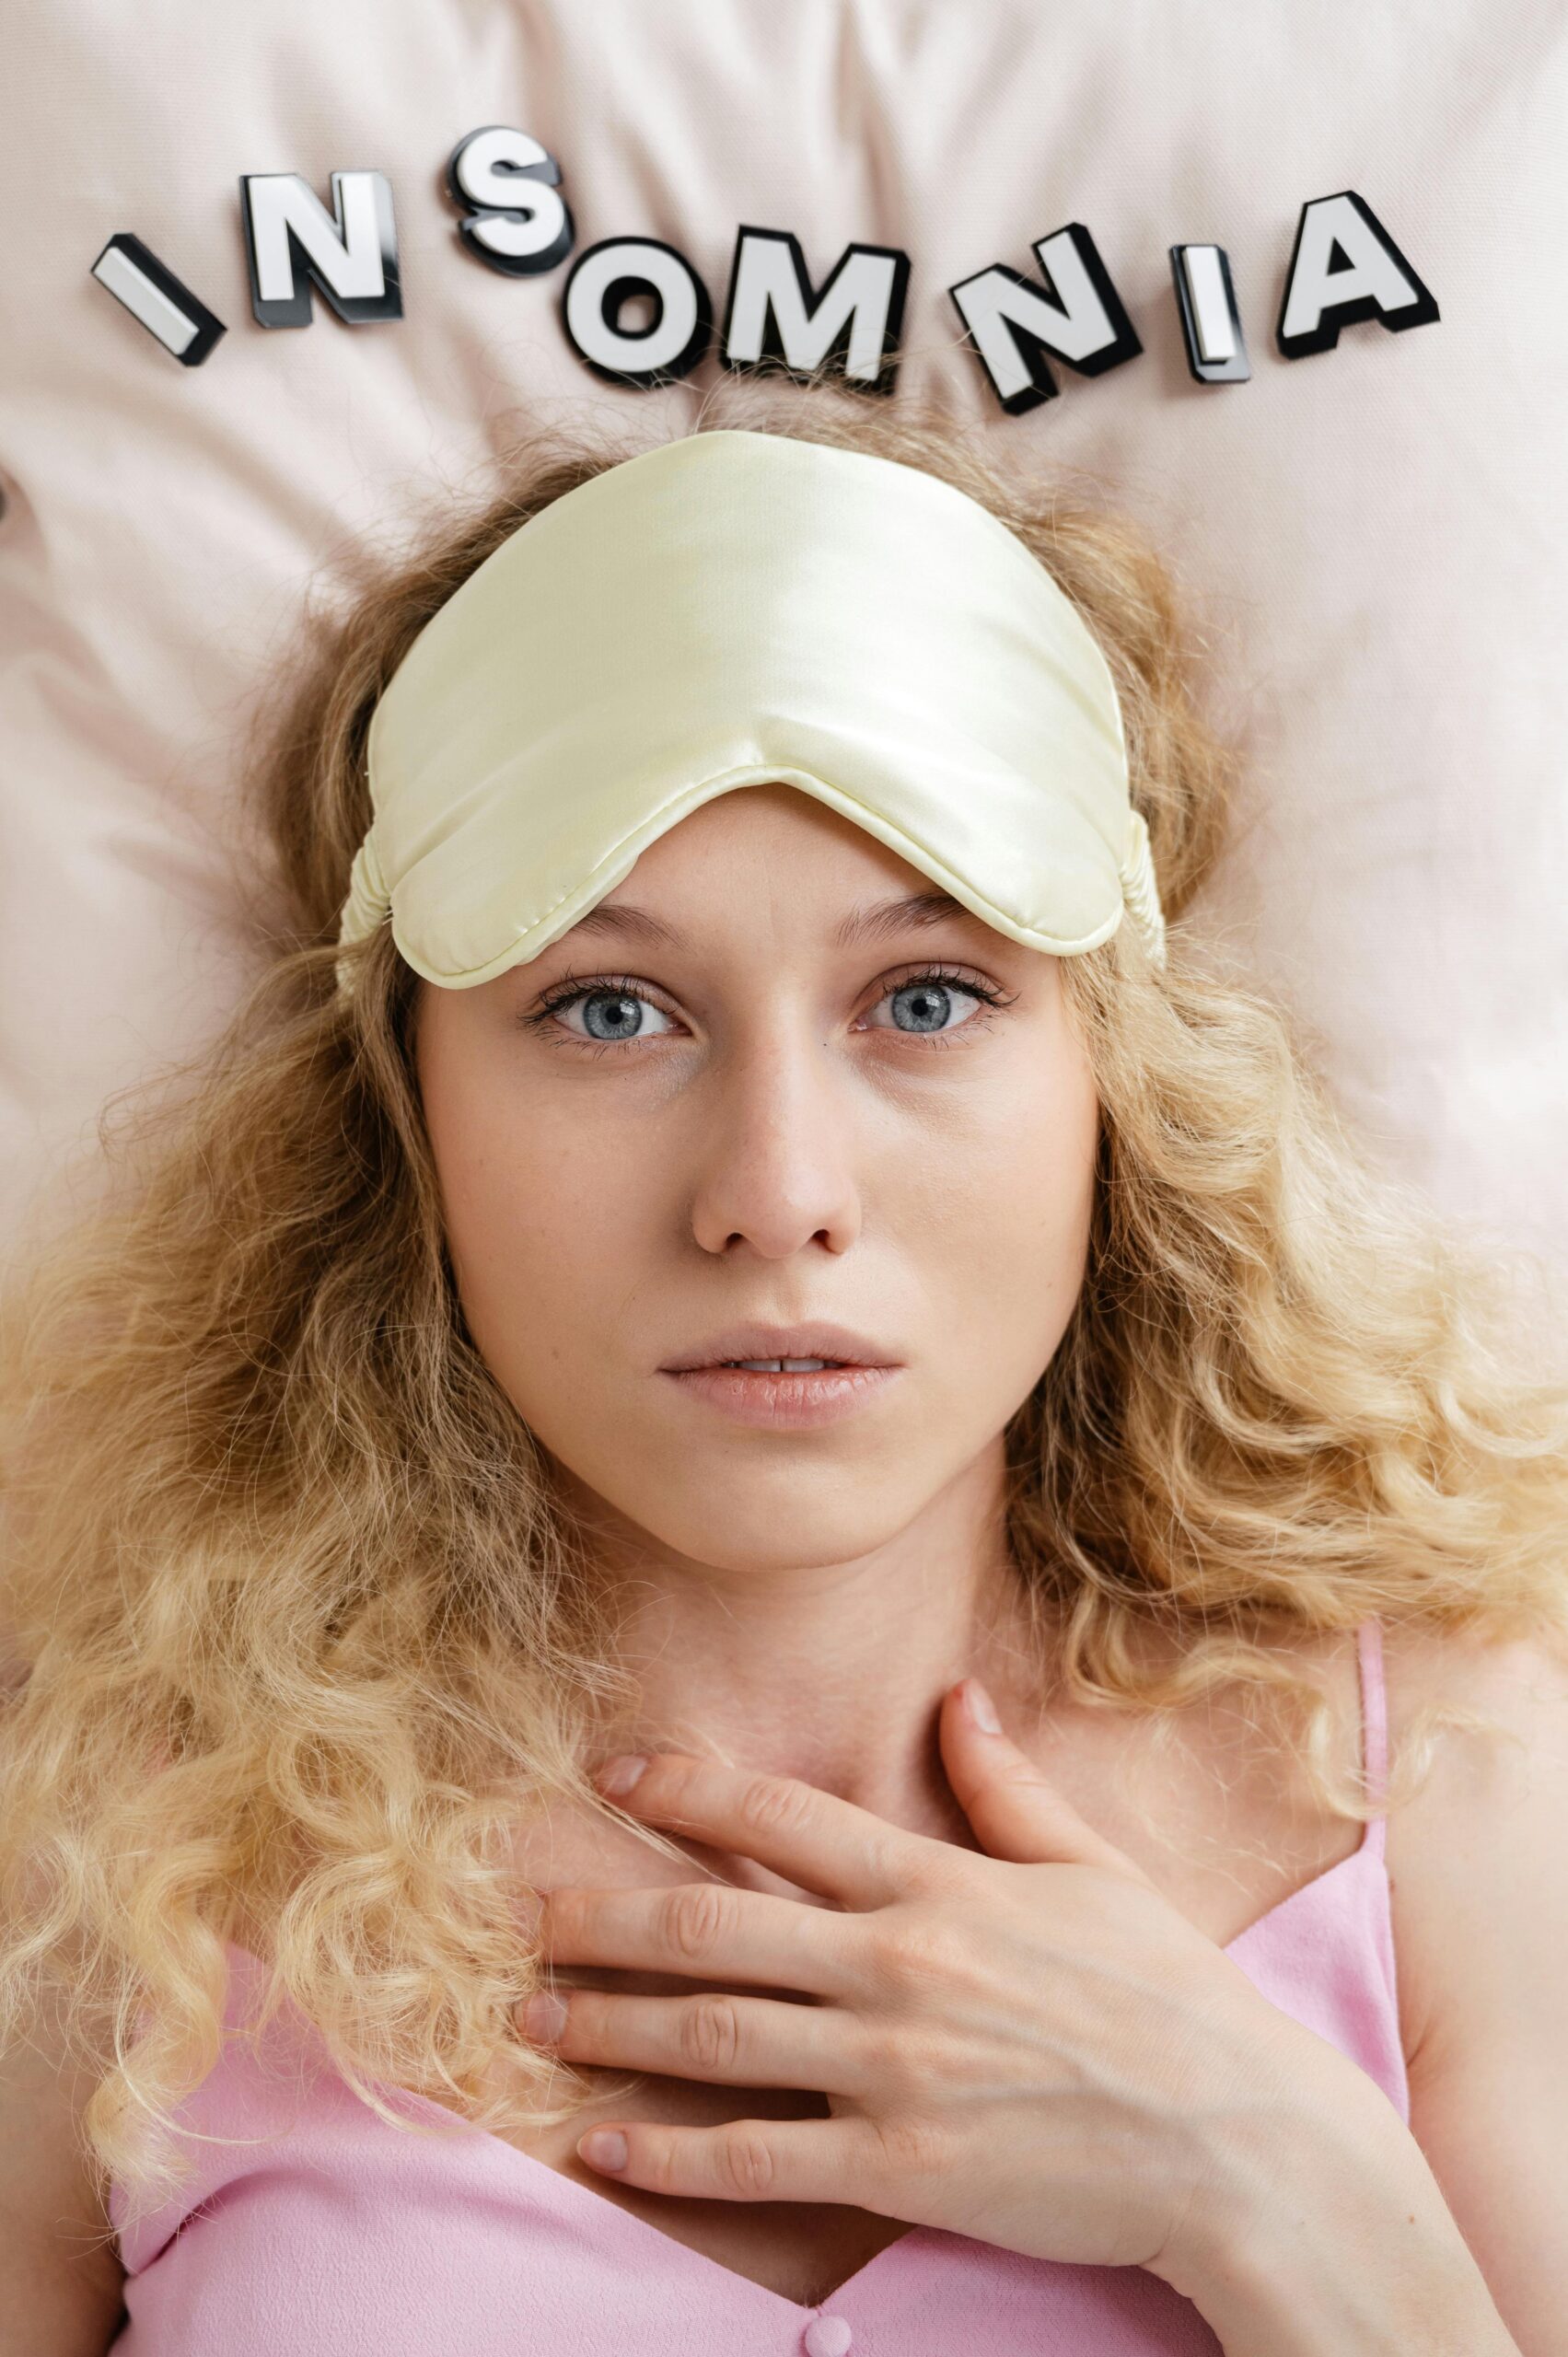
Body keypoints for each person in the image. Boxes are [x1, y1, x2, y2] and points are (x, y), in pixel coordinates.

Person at [1, 391, 1564, 2357]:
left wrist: (1266, 2168)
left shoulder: (1449, 1776)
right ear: (401, 1113)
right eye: (606, 1005)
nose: (778, 1192)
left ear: (1117, 1080)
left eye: (927, 996)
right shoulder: (104, 1857)